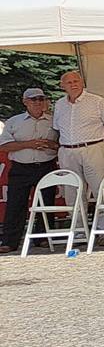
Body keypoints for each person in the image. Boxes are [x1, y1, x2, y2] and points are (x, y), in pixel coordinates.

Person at [0, 88, 59, 253]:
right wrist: (29, 144)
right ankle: (9, 241)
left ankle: (43, 238)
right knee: (15, 205)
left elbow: (62, 144)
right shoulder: (14, 121)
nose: (38, 102)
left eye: (41, 99)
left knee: (46, 203)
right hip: (21, 167)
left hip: (46, 165)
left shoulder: (54, 121)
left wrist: (49, 144)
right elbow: (4, 145)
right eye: (34, 99)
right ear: (25, 102)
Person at [52, 70, 104, 210]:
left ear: (82, 83)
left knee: (100, 188)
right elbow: (57, 128)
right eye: (69, 82)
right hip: (67, 151)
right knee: (72, 190)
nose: (73, 85)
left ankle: (103, 229)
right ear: (62, 86)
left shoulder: (96, 101)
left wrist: (101, 145)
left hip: (93, 148)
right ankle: (79, 229)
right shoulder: (59, 104)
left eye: (76, 81)